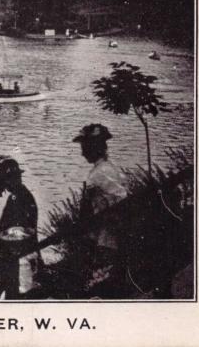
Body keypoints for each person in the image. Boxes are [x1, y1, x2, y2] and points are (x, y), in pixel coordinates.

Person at [72, 123, 131, 298]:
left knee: (102, 278)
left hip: (107, 236)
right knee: (105, 277)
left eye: (85, 148)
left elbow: (121, 200)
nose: (82, 153)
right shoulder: (108, 168)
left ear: (93, 148)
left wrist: (101, 219)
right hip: (106, 233)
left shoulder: (100, 173)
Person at [0, 158, 39, 299]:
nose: (6, 184)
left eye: (8, 179)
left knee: (19, 295)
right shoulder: (19, 196)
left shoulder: (20, 198)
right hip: (14, 259)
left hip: (19, 259)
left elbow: (24, 231)